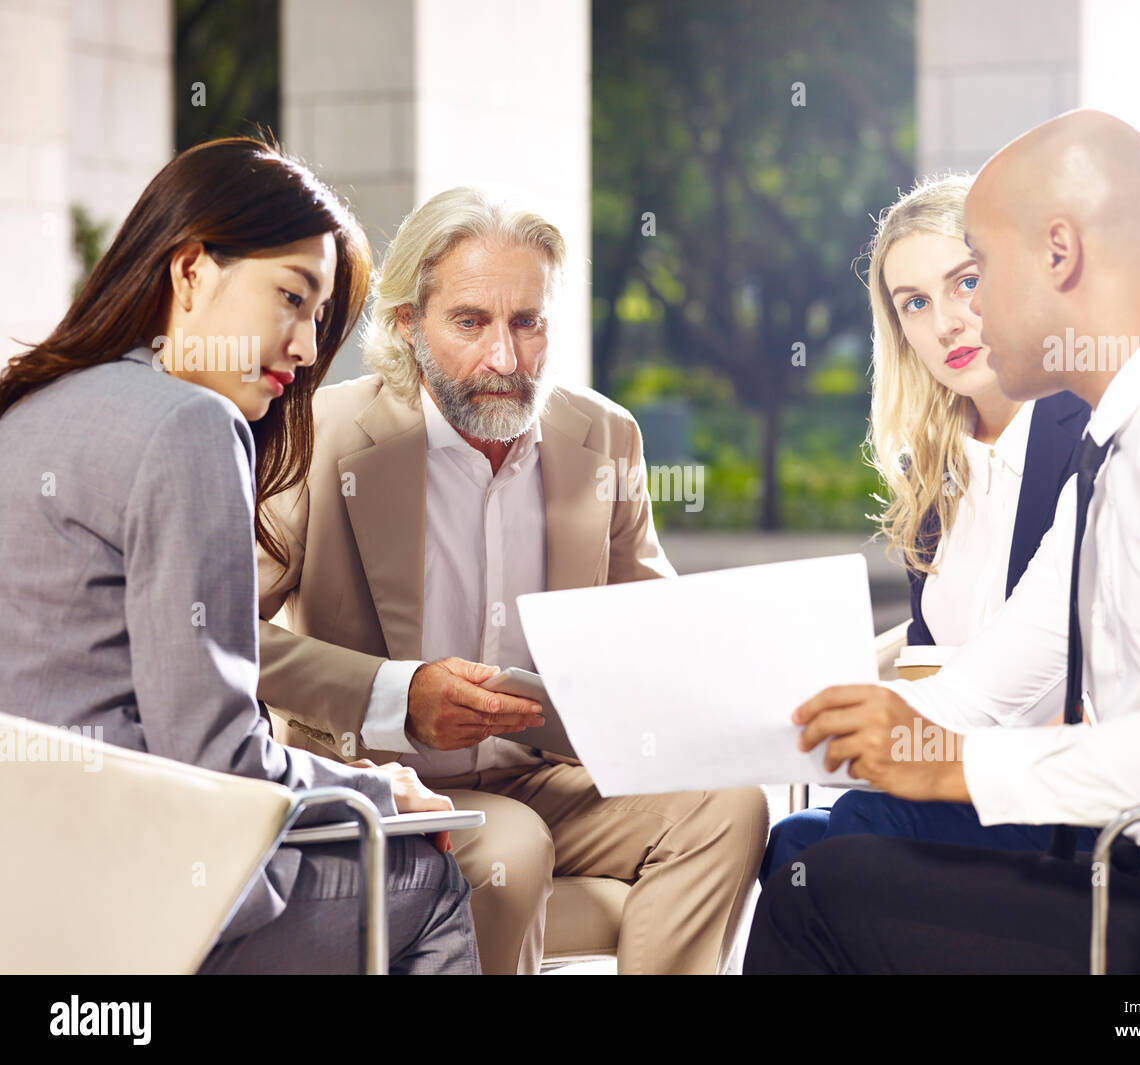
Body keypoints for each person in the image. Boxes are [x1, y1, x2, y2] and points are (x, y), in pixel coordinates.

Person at [745, 110, 1140, 974]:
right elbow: (993, 682)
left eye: (981, 270)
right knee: (821, 874)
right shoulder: (1113, 457)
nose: (964, 316)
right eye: (922, 300)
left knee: (814, 895)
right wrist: (766, 727)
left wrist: (972, 767)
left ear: (1059, 253)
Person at [255, 186, 769, 975]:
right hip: (391, 777)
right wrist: (397, 692)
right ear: (408, 325)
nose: (505, 358)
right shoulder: (322, 433)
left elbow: (654, 631)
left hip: (552, 771)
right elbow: (224, 634)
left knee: (734, 804)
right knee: (513, 848)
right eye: (471, 322)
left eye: (527, 323)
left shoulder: (604, 435)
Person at [0, 137, 479, 975]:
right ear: (191, 271)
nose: (303, 347)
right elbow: (214, 758)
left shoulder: (29, 407)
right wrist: (376, 787)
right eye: (292, 298)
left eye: (320, 319)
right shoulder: (188, 426)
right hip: (143, 902)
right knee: (431, 878)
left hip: (26, 901)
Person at [760, 174, 1091, 883]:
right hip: (955, 783)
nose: (946, 323)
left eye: (966, 282)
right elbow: (926, 658)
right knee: (792, 842)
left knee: (847, 837)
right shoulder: (934, 468)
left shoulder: (1086, 435)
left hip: (1056, 794)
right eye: (915, 302)